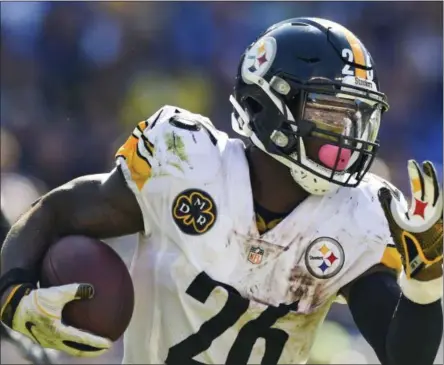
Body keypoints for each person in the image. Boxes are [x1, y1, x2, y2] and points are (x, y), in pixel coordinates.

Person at [0, 18, 442, 365]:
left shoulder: (357, 215)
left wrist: (425, 284)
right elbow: (55, 211)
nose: (345, 136)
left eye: (355, 118)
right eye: (329, 114)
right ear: (266, 104)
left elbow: (404, 357)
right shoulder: (185, 161)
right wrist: (11, 292)